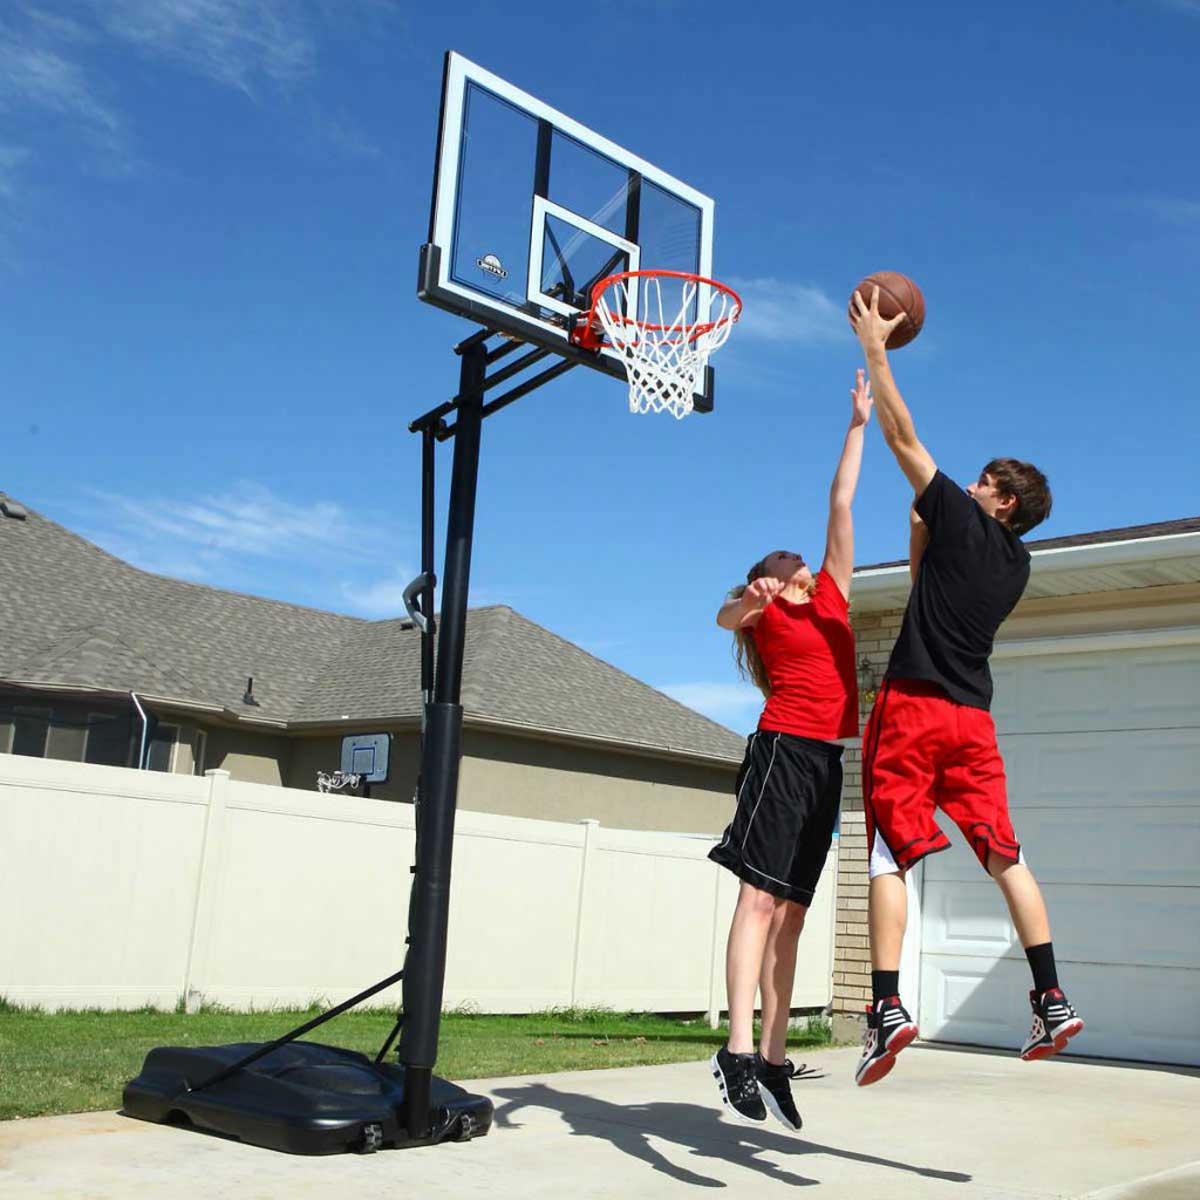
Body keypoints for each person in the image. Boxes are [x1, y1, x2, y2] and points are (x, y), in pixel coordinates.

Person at [848, 286, 1084, 1088]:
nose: (973, 484)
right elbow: (926, 581)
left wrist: (876, 346)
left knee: (887, 851)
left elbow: (901, 434)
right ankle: (1050, 995)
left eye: (985, 481)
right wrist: (921, 520)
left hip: (914, 706)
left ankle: (885, 1005)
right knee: (1005, 856)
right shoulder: (1015, 564)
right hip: (972, 723)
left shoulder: (964, 514)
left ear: (1003, 501)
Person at [708, 371, 871, 1130]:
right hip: (782, 749)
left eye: (796, 563)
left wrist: (858, 425)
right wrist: (750, 600)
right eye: (784, 563)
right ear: (770, 578)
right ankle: (737, 1047)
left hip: (826, 763)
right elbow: (720, 615)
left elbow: (840, 502)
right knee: (759, 900)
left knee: (797, 917)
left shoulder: (834, 592)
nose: (799, 565)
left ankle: (774, 1056)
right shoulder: (764, 617)